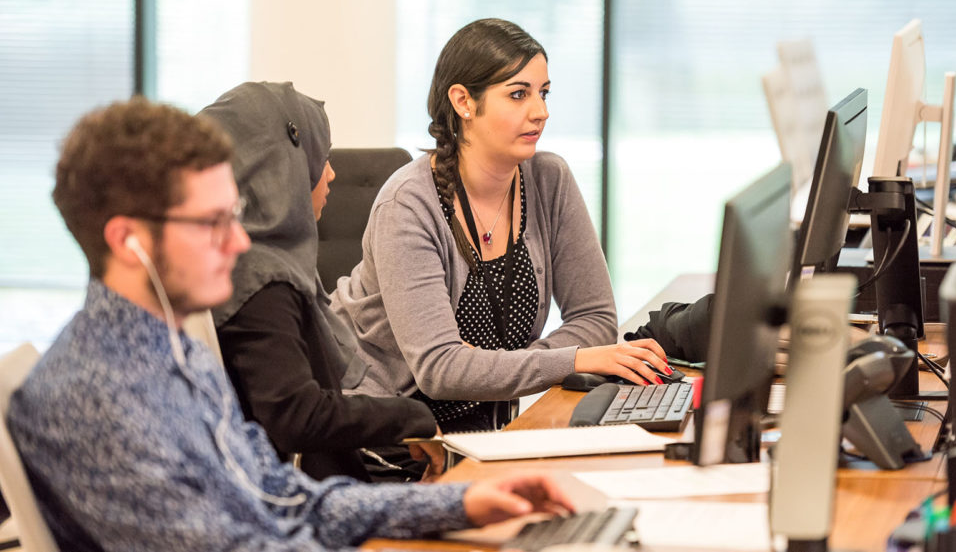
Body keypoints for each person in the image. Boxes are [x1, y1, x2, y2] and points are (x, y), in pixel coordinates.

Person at [6, 97, 573, 550]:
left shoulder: (173, 354)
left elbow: (283, 496)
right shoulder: (96, 396)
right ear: (128, 241)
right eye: (211, 222)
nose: (237, 241)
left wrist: (458, 503)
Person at [330, 18, 672, 432]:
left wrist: (498, 367)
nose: (541, 112)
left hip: (487, 429)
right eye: (518, 94)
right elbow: (440, 369)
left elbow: (595, 318)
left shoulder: (549, 180)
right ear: (463, 102)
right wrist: (572, 359)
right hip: (391, 436)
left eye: (543, 93)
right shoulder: (409, 204)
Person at [200, 82, 441, 483]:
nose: (331, 172)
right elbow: (296, 416)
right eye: (320, 157)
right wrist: (411, 417)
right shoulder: (261, 280)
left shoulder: (253, 262)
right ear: (281, 168)